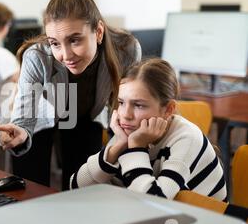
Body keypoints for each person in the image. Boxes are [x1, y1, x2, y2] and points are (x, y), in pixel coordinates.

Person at [0, 0, 141, 189]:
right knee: (31, 187)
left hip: (86, 115)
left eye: (75, 40)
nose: (66, 55)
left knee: (83, 187)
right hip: (42, 116)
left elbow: (124, 103)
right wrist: (21, 131)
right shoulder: (37, 56)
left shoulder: (126, 50)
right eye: (55, 43)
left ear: (98, 32)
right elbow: (25, 117)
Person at [70, 58, 227, 201]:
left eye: (138, 105)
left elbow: (153, 202)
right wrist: (116, 148)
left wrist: (137, 147)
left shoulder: (186, 138)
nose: (125, 115)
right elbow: (76, 187)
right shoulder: (129, 133)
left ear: (168, 110)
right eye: (121, 102)